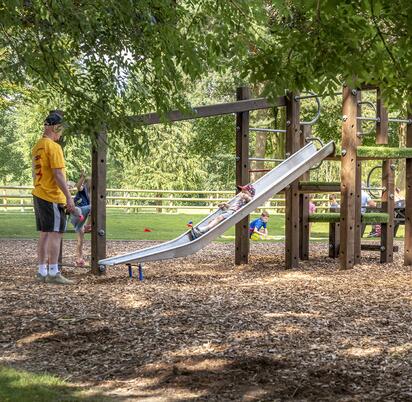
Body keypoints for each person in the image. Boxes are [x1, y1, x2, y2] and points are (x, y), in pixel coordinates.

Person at [32, 110, 75, 284]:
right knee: (55, 233)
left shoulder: (37, 146)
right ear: (55, 127)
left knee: (44, 233)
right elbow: (58, 175)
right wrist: (69, 197)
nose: (61, 133)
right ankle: (53, 272)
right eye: (61, 129)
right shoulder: (54, 147)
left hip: (39, 193)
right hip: (52, 196)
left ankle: (42, 271)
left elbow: (37, 175)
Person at [191, 184, 255, 239]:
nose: (242, 192)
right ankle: (200, 233)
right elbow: (232, 207)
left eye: (244, 191)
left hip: (233, 213)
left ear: (250, 193)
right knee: (213, 220)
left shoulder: (247, 198)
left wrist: (245, 196)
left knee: (219, 218)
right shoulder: (239, 199)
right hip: (230, 211)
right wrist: (225, 205)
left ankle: (203, 230)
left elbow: (250, 199)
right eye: (242, 191)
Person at [72, 173, 91, 266]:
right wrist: (82, 177)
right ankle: (87, 226)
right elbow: (78, 186)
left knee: (80, 241)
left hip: (81, 218)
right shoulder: (83, 189)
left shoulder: (91, 195)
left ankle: (79, 259)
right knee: (92, 207)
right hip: (76, 214)